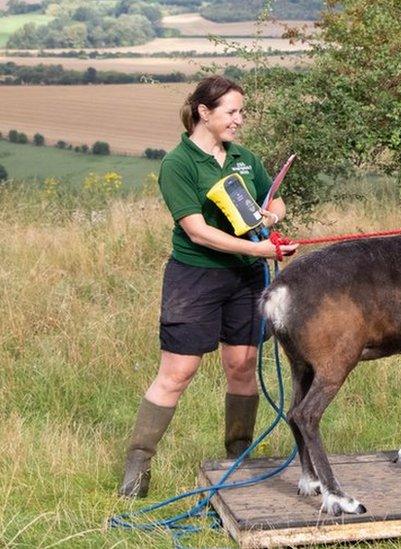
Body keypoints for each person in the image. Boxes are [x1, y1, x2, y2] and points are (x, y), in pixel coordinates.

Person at [118, 75, 299, 498]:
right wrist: (261, 252)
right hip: (195, 277)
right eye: (232, 112)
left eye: (241, 112)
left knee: (241, 366)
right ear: (204, 112)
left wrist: (269, 219)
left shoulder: (243, 157)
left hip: (246, 280)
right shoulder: (178, 164)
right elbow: (197, 231)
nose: (240, 120)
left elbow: (275, 199)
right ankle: (137, 467)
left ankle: (238, 458)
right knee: (178, 372)